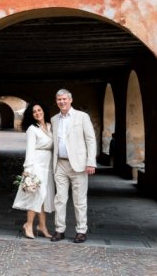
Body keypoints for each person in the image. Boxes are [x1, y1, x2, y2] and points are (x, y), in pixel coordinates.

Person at [50, 88, 96, 243]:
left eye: (64, 99)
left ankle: (81, 231)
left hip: (79, 165)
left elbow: (90, 140)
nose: (62, 102)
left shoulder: (82, 117)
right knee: (60, 199)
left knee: (79, 200)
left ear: (70, 100)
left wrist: (91, 162)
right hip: (60, 164)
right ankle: (59, 230)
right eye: (59, 100)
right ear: (56, 102)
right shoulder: (54, 119)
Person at [12, 102, 55, 239]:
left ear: (43, 111)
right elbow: (29, 150)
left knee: (43, 197)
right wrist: (27, 170)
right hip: (36, 165)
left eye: (39, 110)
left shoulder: (50, 126)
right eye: (34, 112)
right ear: (32, 116)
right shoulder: (32, 129)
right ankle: (28, 224)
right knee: (37, 194)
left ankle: (42, 226)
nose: (37, 113)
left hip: (47, 165)